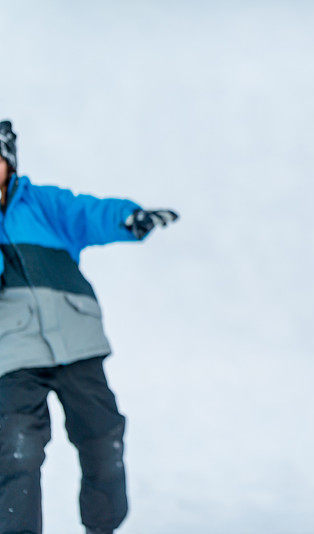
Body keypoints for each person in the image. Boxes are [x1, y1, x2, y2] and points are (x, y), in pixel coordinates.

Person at [0, 120, 178, 534]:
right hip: (11, 354)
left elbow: (87, 212)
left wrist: (128, 218)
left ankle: (103, 528)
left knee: (102, 436)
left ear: (8, 162)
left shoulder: (42, 204)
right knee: (15, 449)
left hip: (76, 340)